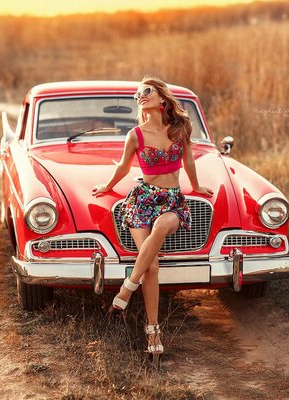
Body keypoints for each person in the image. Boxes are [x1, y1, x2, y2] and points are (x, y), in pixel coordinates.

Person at [91, 76, 213, 363]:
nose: (140, 96)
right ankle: (153, 332)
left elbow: (189, 161)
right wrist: (108, 186)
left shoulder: (181, 127)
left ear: (162, 98)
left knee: (162, 226)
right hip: (142, 200)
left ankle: (126, 288)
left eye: (146, 91)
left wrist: (195, 186)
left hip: (172, 200)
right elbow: (123, 166)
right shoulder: (136, 134)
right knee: (152, 267)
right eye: (137, 94)